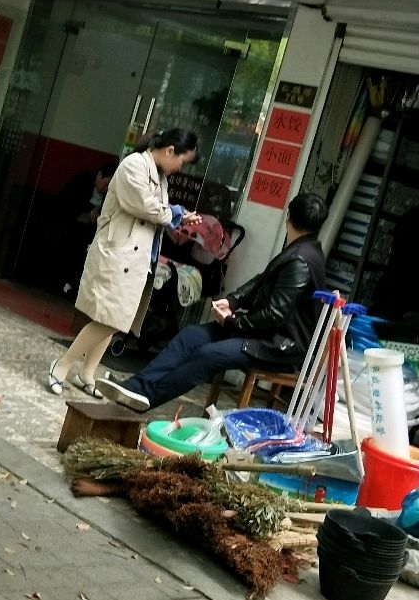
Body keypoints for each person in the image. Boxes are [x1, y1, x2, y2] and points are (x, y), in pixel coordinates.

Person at [98, 190, 329, 413]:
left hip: (278, 347)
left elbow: (274, 315)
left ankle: (148, 398)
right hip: (260, 334)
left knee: (208, 354)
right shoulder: (303, 249)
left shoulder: (300, 259)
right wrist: (232, 301)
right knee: (192, 336)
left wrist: (232, 321)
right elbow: (260, 282)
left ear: (288, 218)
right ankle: (137, 387)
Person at [46, 129, 200, 398]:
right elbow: (144, 206)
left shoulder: (158, 174)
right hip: (118, 252)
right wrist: (175, 214)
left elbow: (155, 211)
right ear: (170, 150)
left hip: (135, 257)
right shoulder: (134, 165)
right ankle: (62, 365)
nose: (180, 168)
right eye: (182, 161)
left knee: (116, 318)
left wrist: (178, 216)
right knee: (108, 317)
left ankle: (87, 373)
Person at [48, 160, 118, 294]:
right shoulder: (82, 182)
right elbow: (68, 202)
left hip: (90, 229)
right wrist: (90, 209)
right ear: (99, 175)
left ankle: (73, 285)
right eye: (105, 184)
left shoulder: (109, 195)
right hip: (69, 224)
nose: (106, 189)